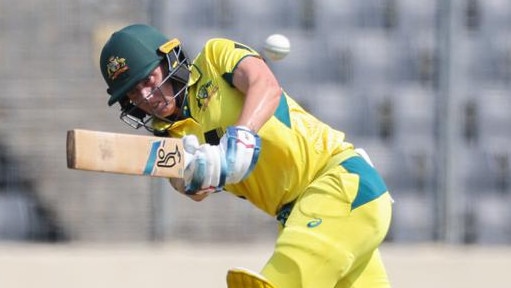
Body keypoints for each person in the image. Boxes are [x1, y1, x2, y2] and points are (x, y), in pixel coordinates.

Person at [99, 23, 393, 288]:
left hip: (340, 184)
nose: (147, 96)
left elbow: (264, 85)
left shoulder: (215, 58)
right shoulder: (169, 132)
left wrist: (240, 139)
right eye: (134, 93)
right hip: (299, 217)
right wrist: (193, 175)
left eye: (149, 79)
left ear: (169, 59)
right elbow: (192, 191)